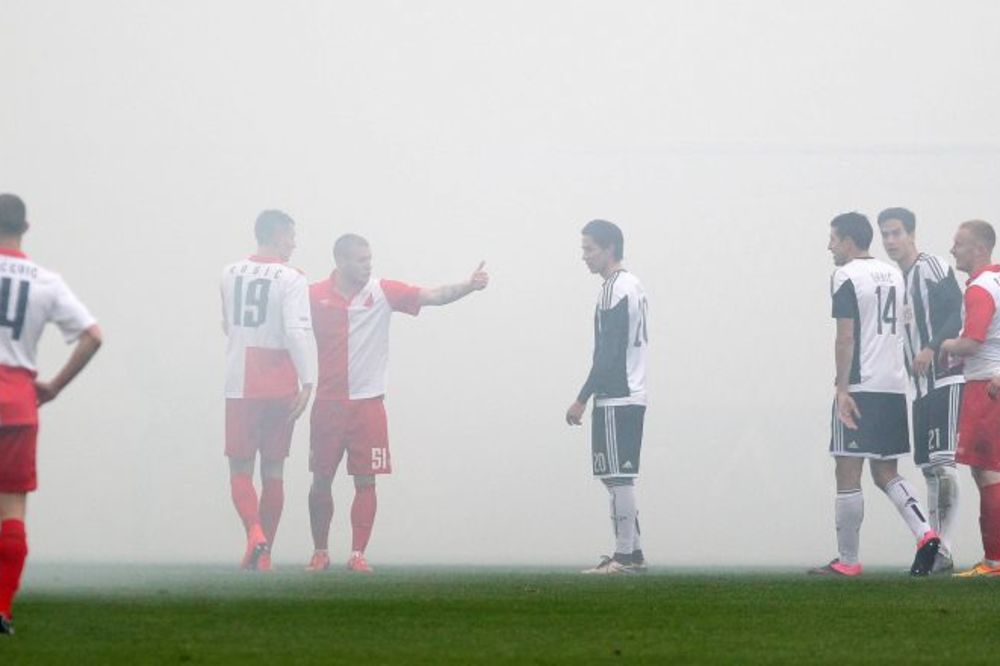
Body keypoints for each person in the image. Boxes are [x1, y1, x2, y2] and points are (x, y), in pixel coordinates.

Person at [306, 234, 488, 573]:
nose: (368, 264)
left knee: (366, 480)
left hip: (368, 405)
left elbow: (432, 295)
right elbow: (286, 325)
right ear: (341, 261)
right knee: (320, 480)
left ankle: (357, 554)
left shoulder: (382, 291)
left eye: (369, 258)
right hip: (328, 404)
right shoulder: (314, 295)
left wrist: (469, 285)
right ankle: (320, 551)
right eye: (361, 259)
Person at [812, 212, 940, 577]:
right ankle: (926, 533)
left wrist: (841, 389)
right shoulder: (895, 274)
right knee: (886, 472)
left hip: (861, 387)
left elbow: (846, 336)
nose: (830, 247)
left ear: (849, 241)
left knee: (847, 471)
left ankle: (848, 561)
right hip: (892, 385)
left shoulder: (845, 275)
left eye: (833, 240)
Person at [0, 193, 102, 636]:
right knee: (12, 509)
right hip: (19, 405)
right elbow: (93, 336)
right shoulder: (45, 280)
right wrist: (54, 387)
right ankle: (1, 607)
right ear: (27, 228)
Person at [220, 210, 314, 571]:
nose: (294, 243)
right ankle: (266, 552)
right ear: (276, 237)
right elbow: (295, 331)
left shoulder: (228, 273)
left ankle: (254, 535)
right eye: (291, 236)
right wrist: (307, 382)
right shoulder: (292, 278)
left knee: (240, 467)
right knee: (273, 469)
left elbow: (226, 324)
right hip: (280, 381)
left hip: (240, 381)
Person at [877, 207, 963, 573]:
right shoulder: (898, 278)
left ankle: (941, 549)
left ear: (912, 233)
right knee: (928, 466)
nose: (890, 241)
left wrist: (930, 347)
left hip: (944, 375)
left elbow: (956, 312)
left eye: (896, 233)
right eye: (885, 234)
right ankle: (937, 548)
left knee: (943, 464)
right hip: (919, 384)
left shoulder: (931, 267)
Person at [566, 219, 649, 575]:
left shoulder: (614, 289)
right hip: (630, 390)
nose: (584, 256)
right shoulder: (633, 284)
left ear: (610, 248)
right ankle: (634, 551)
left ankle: (624, 556)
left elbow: (609, 351)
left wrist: (582, 396)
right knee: (615, 475)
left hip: (618, 393)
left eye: (590, 249)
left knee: (617, 476)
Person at [940, 220, 1000, 576]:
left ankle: (993, 560)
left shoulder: (979, 288)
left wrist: (946, 346)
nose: (953, 250)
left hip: (985, 387)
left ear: (979, 248)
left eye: (958, 244)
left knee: (987, 473)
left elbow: (973, 340)